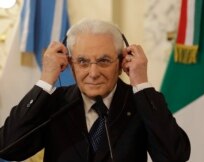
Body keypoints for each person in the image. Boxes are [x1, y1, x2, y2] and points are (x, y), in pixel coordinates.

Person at [0, 19, 190, 162]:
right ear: (69, 63)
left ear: (122, 61)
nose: (93, 73)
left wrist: (141, 82)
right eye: (82, 61)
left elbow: (175, 157)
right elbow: (7, 147)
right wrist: (46, 79)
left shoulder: (142, 102)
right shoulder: (55, 102)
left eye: (104, 61)